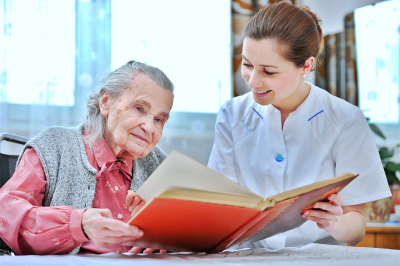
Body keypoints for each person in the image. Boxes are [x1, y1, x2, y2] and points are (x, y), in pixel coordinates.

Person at [208, 2, 391, 250]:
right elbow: (220, 204)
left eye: (269, 72)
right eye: (247, 64)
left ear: (306, 66)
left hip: (316, 258)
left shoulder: (346, 120)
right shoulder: (232, 114)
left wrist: (333, 223)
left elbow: (356, 228)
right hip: (246, 256)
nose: (253, 81)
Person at [0, 60, 174, 255]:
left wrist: (171, 236)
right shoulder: (54, 146)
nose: (150, 127)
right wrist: (78, 224)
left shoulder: (163, 167)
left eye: (159, 119)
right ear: (105, 102)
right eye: (139, 108)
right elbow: (6, 213)